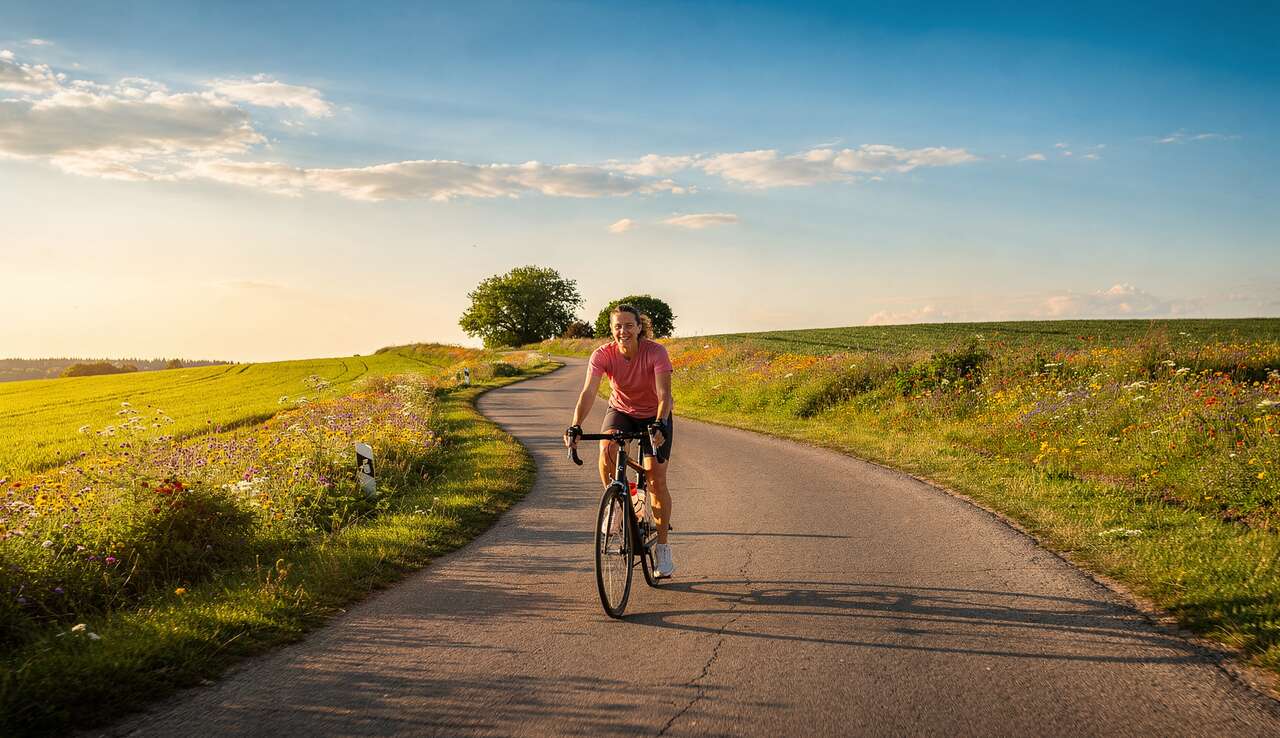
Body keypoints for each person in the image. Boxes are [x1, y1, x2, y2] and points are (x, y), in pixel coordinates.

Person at [564, 304, 676, 577]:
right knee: (607, 450)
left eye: (628, 325)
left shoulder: (655, 352)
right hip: (621, 411)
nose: (622, 331)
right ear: (611, 329)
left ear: (639, 327)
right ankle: (617, 504)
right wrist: (575, 425)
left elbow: (664, 395)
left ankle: (662, 550)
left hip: (654, 415)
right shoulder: (602, 354)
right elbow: (589, 392)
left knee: (656, 480)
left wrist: (660, 423)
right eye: (617, 326)